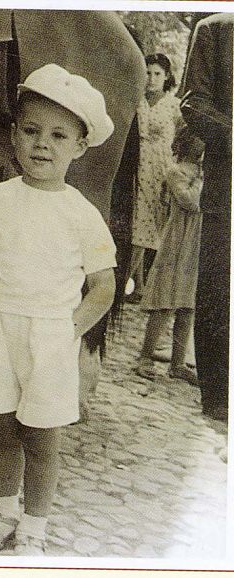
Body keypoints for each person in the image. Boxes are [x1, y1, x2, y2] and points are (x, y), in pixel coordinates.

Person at [0, 64, 117, 555]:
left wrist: (67, 331)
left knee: (43, 435)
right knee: (4, 427)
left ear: (79, 145)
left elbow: (103, 287)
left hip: (50, 333)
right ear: (13, 136)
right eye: (31, 131)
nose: (42, 145)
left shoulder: (82, 213)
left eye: (57, 135)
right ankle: (4, 514)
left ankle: (35, 526)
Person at [181, 13, 232, 422]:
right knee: (219, 287)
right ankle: (218, 396)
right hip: (227, 188)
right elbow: (193, 102)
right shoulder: (216, 31)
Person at [134, 128, 204, 389]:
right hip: (178, 241)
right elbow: (190, 202)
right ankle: (144, 356)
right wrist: (200, 181)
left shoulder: (202, 173)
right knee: (166, 301)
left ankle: (177, 364)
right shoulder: (177, 172)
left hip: (196, 243)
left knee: (188, 305)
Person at [128, 54, 183, 302]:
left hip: (160, 168)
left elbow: (183, 137)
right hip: (137, 163)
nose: (151, 79)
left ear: (167, 76)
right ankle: (136, 283)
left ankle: (134, 282)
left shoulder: (174, 105)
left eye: (157, 74)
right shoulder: (137, 100)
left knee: (151, 222)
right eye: (148, 73)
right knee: (137, 221)